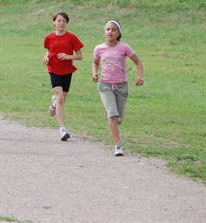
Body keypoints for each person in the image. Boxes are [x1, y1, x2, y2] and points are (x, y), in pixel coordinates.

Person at [92, 20, 144, 156]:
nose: (110, 31)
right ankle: (118, 146)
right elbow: (95, 62)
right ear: (104, 32)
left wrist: (140, 76)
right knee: (112, 115)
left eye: (114, 29)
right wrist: (95, 73)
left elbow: (138, 62)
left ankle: (111, 114)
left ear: (118, 33)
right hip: (105, 85)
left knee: (119, 119)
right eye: (108, 29)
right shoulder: (99, 49)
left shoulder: (124, 48)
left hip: (121, 87)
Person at [42, 12, 84, 141]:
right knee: (61, 98)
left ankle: (54, 104)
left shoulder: (72, 38)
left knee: (61, 99)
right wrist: (45, 57)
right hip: (53, 69)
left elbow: (80, 56)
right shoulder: (48, 38)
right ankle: (62, 130)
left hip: (67, 70)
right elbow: (49, 51)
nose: (61, 23)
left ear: (66, 23)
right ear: (54, 22)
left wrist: (68, 56)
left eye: (64, 21)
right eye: (59, 20)